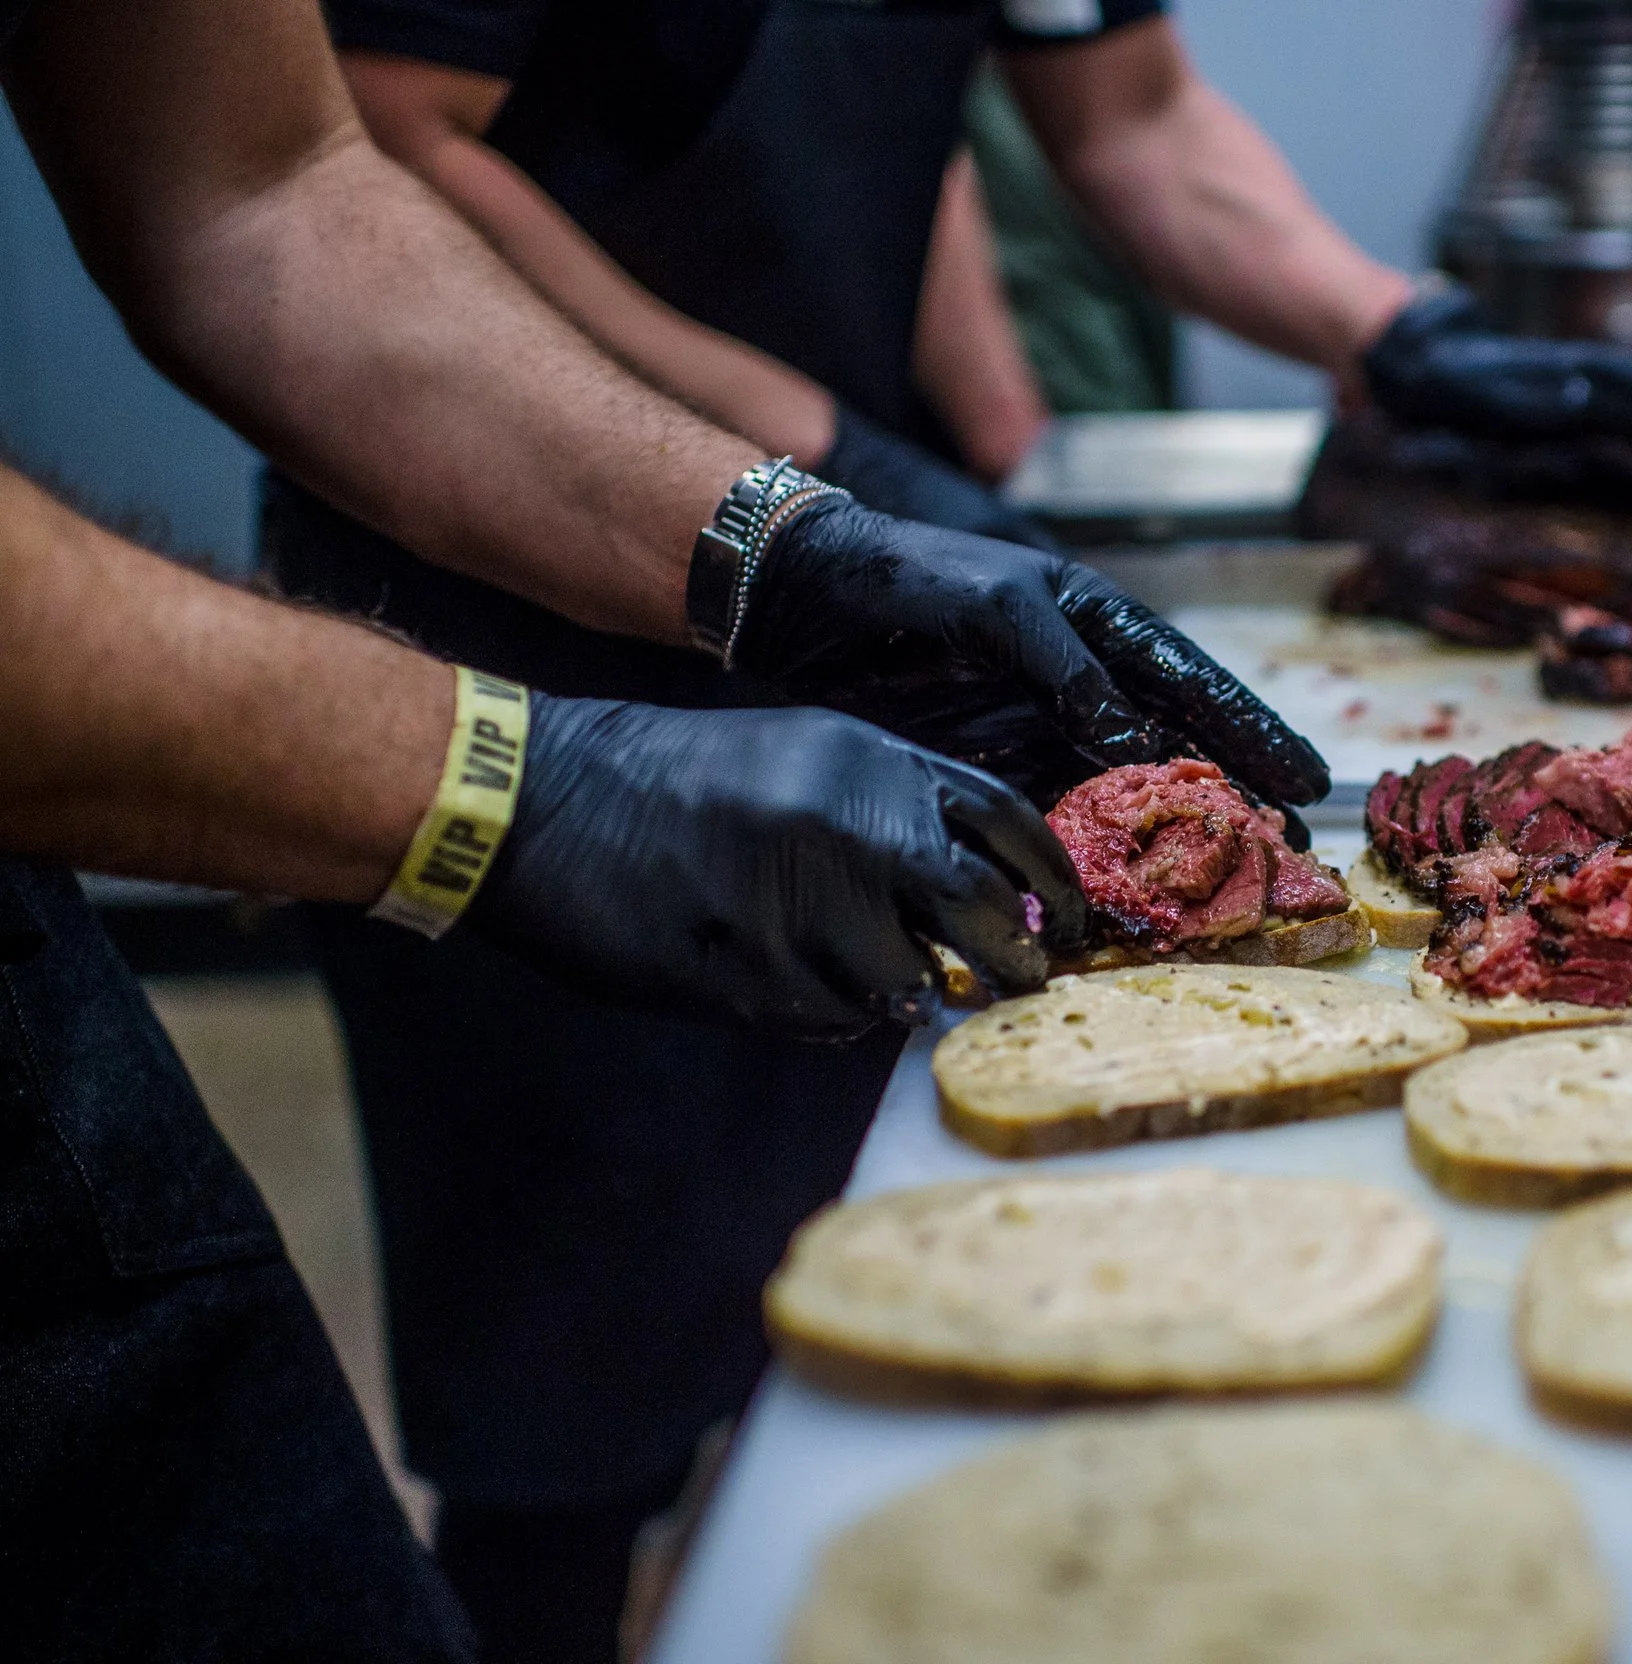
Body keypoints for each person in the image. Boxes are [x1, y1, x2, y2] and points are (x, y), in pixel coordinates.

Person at [269, 6, 1632, 1655]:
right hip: (496, 589)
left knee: (845, 1205)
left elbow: (1132, 119)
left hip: (829, 553)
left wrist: (1393, 325)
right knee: (571, 1338)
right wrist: (805, 454)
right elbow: (386, 139)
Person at [0, 0, 1326, 1653]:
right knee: (558, 1363)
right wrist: (505, 775)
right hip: (396, 676)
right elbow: (403, 122)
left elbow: (263, 197)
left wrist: (781, 541)